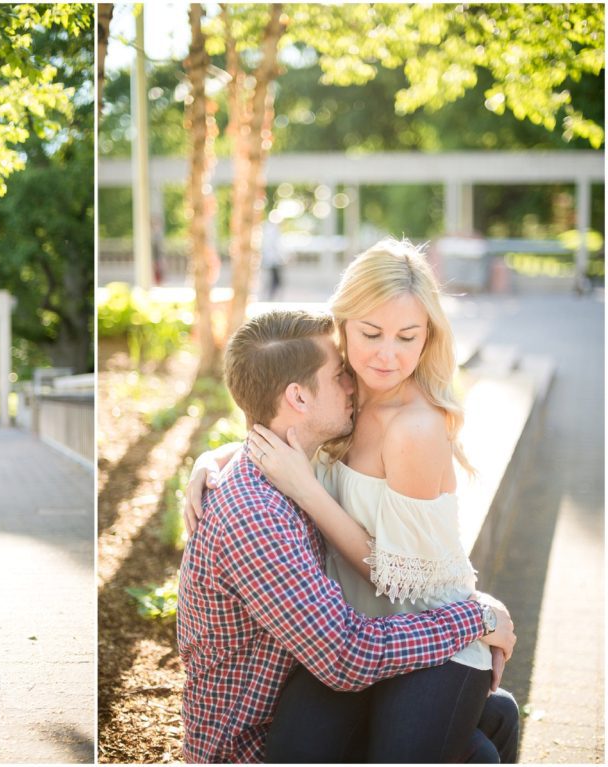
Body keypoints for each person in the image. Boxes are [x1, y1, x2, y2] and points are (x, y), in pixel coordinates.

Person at [176, 306, 518, 764]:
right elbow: (346, 655)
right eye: (340, 373)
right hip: (258, 743)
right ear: (297, 397)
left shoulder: (292, 465)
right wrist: (476, 618)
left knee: (499, 712)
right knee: (476, 752)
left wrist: (218, 453)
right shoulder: (256, 515)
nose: (353, 382)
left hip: (315, 699)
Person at [259, 213, 287, 301]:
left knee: (274, 280)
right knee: (276, 280)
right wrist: (281, 258)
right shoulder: (272, 231)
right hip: (274, 260)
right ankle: (271, 296)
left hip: (272, 260)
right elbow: (275, 247)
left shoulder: (269, 230)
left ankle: (271, 296)